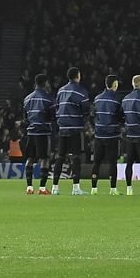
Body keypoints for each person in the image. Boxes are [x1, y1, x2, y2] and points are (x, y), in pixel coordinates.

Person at [51, 67, 91, 196]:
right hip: (75, 128)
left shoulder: (60, 91)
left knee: (60, 156)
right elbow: (86, 110)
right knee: (76, 157)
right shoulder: (81, 92)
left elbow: (56, 107)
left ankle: (55, 187)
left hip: (62, 128)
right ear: (78, 76)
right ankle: (75, 187)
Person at [21, 74, 54, 196]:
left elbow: (25, 117)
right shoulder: (48, 99)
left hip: (31, 132)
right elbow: (53, 116)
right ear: (45, 83)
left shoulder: (27, 99)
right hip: (43, 132)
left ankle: (29, 187)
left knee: (30, 158)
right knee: (45, 158)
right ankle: (42, 188)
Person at [89, 75, 122, 196]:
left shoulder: (97, 99)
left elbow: (93, 116)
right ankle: (113, 189)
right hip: (112, 136)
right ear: (115, 85)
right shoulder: (117, 99)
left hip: (99, 135)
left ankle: (94, 188)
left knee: (96, 162)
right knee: (113, 162)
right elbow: (120, 117)